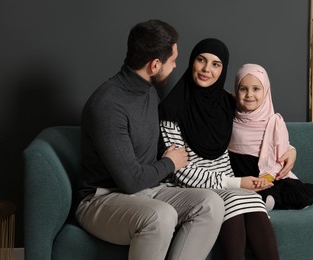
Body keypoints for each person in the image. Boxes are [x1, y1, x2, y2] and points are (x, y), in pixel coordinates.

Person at [76, 20, 225, 260]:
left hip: (149, 191)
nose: (176, 65)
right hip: (102, 199)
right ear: (155, 65)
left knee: (211, 204)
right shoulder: (107, 105)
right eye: (173, 60)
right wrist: (170, 163)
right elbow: (131, 181)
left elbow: (157, 151)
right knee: (161, 215)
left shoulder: (148, 91)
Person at [158, 38, 285, 260]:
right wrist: (236, 183)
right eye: (201, 60)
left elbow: (258, 127)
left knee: (252, 200)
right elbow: (179, 172)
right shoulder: (172, 109)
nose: (207, 69)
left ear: (223, 69)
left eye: (216, 64)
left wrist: (289, 149)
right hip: (188, 187)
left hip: (226, 185)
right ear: (192, 62)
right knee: (234, 199)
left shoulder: (226, 103)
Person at [228, 63, 313, 211]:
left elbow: (279, 158)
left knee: (297, 189)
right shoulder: (229, 118)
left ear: (266, 91)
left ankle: (271, 199)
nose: (249, 94)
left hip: (270, 176)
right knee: (241, 193)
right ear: (236, 91)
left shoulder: (274, 121)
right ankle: (266, 199)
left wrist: (266, 179)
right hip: (241, 176)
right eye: (243, 89)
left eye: (256, 89)